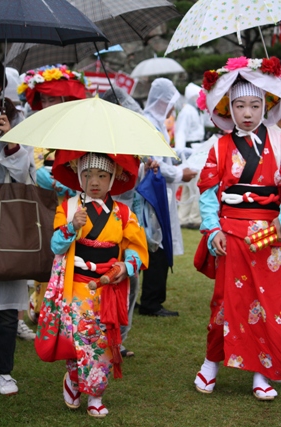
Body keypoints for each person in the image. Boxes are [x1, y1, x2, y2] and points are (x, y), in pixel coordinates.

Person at [193, 56, 281, 400]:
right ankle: (210, 363)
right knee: (224, 302)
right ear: (228, 108)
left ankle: (262, 372)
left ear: (266, 105)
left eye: (255, 105)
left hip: (269, 237)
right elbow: (207, 190)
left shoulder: (279, 141)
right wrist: (212, 229)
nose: (248, 112)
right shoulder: (219, 145)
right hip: (229, 234)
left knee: (268, 303)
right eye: (240, 105)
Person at [47, 152, 148, 417]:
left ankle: (95, 394)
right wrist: (71, 227)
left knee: (102, 343)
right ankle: (73, 379)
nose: (94, 181)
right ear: (78, 176)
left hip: (107, 288)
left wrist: (126, 267)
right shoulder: (69, 208)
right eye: (87, 174)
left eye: (102, 175)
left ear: (113, 178)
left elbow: (137, 250)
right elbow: (55, 246)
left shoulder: (123, 213)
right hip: (76, 285)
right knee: (77, 339)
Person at [17, 64, 86, 324]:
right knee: (45, 253)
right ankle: (43, 304)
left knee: (70, 252)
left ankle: (66, 304)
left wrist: (71, 181)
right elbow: (31, 164)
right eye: (43, 99)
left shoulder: (77, 129)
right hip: (42, 203)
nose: (47, 104)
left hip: (71, 203)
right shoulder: (37, 127)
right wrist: (43, 175)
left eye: (52, 99)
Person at [102, 86, 158, 357]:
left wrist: (149, 162)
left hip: (130, 222)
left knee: (131, 276)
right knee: (105, 276)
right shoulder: (97, 142)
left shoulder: (134, 141)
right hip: (102, 221)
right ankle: (102, 335)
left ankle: (119, 339)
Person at [139, 77, 198, 317]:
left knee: (159, 243)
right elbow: (154, 163)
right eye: (170, 102)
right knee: (156, 244)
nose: (172, 108)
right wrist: (179, 172)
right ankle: (151, 302)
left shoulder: (157, 122)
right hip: (153, 193)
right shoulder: (149, 123)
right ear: (162, 101)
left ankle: (153, 299)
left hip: (161, 191)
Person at [0, 58, 36, 394]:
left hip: (5, 221)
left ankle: (3, 371)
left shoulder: (15, 121)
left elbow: (26, 176)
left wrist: (11, 142)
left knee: (7, 303)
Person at [174, 82, 205, 229]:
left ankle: (184, 218)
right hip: (190, 150)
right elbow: (181, 133)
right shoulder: (188, 111)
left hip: (197, 148)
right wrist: (180, 153)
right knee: (194, 186)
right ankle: (192, 218)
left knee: (189, 187)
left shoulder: (196, 111)